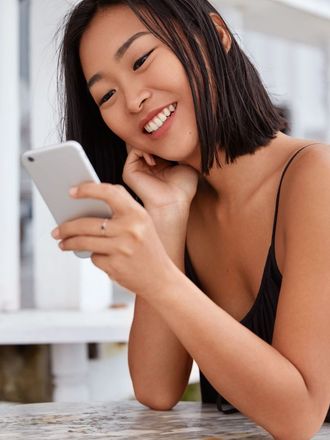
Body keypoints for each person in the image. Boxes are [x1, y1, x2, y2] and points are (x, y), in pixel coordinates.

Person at [54, 0, 330, 437]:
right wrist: (165, 215)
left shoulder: (316, 177)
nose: (133, 99)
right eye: (106, 95)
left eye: (142, 59)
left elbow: (299, 416)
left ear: (216, 36)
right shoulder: (184, 203)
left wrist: (159, 277)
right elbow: (157, 389)